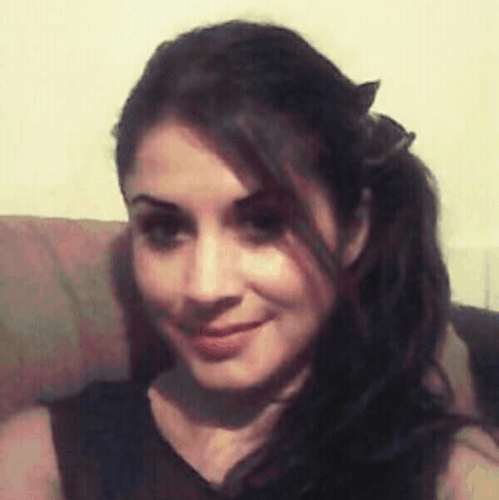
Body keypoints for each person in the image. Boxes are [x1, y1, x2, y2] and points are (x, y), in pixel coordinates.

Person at [1, 19, 498, 500]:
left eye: (264, 224)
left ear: (352, 231)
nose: (205, 287)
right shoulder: (43, 459)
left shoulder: (449, 474)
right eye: (164, 230)